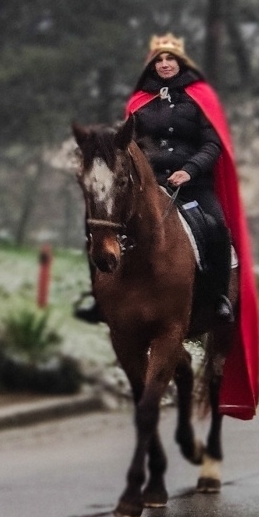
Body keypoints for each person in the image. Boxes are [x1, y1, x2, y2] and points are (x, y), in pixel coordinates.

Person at [76, 34, 237, 324]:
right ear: (150, 65)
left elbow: (212, 144)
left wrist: (189, 170)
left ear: (180, 62)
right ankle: (99, 297)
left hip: (193, 183)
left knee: (217, 228)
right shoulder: (139, 103)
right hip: (149, 184)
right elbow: (127, 146)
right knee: (98, 224)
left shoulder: (200, 99)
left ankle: (218, 298)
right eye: (158, 60)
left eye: (169, 59)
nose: (164, 64)